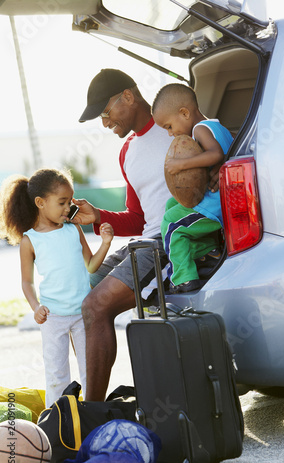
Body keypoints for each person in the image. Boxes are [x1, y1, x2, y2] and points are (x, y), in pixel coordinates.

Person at [74, 68, 175, 401]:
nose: (105, 124)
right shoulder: (127, 150)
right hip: (143, 242)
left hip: (170, 244)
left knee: (96, 305)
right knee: (74, 292)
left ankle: (92, 411)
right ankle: (80, 394)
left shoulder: (176, 129)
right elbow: (137, 218)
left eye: (106, 113)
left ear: (128, 96)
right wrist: (99, 216)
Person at [0, 168, 113, 407]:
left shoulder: (74, 230)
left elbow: (91, 265)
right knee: (56, 374)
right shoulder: (30, 240)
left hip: (83, 313)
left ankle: (91, 415)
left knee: (89, 370)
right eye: (62, 202)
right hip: (52, 317)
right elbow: (26, 281)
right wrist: (35, 306)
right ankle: (57, 423)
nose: (68, 208)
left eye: (70, 202)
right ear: (40, 203)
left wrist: (105, 243)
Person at [151, 83, 234, 293]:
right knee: (172, 203)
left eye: (169, 126)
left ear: (184, 113)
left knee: (172, 225)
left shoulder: (200, 129)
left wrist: (180, 164)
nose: (170, 134)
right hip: (218, 201)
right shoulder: (219, 127)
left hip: (213, 206)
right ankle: (209, 250)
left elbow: (216, 155)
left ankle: (183, 278)